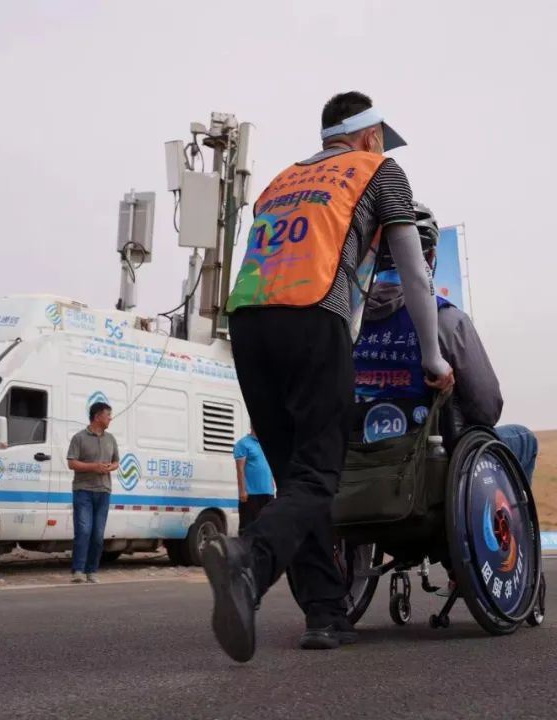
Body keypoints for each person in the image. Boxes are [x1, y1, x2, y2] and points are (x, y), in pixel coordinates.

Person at [209, 91, 455, 661]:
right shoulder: (379, 170)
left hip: (247, 323)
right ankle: (250, 560)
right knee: (319, 472)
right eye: (381, 140)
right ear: (369, 136)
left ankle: (325, 612)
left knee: (296, 478)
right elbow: (414, 274)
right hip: (315, 315)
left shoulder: (280, 181)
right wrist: (434, 358)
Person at [350, 201, 539, 477]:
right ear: (429, 257)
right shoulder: (448, 320)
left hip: (356, 459)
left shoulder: (344, 321)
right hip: (435, 462)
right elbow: (487, 409)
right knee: (524, 438)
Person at [66, 401, 120, 584]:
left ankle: (92, 571)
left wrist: (110, 467)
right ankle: (78, 571)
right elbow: (71, 463)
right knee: (83, 531)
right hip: (83, 491)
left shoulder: (111, 439)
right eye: (108, 415)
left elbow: (116, 462)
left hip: (104, 491)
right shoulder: (79, 438)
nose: (110, 418)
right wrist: (94, 467)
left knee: (98, 534)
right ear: (97, 416)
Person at [233, 430, 274, 530]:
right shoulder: (243, 443)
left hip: (268, 493)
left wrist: (273, 487)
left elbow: (269, 467)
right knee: (248, 528)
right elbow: (240, 469)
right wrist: (242, 491)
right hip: (251, 494)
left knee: (266, 528)